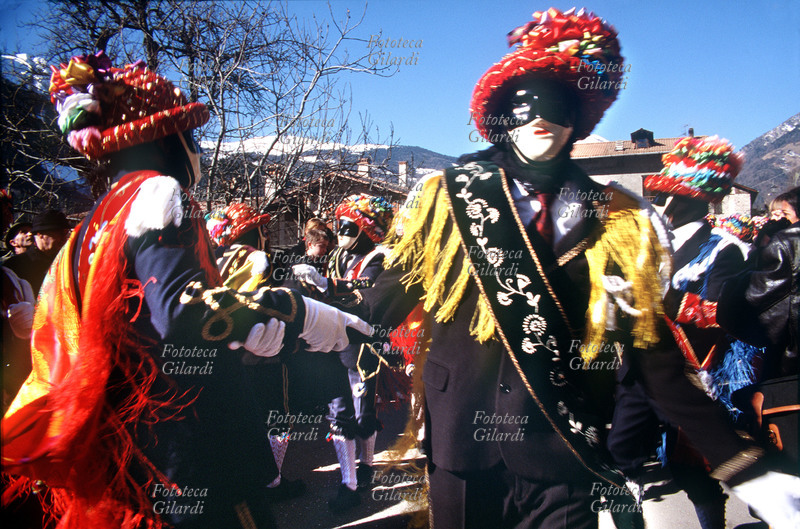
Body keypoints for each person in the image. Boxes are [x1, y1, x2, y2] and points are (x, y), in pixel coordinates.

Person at [353, 8, 799, 529]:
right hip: (463, 451)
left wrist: (740, 464)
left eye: (558, 101)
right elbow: (378, 307)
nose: (540, 114)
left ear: (579, 119)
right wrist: (293, 309)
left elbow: (647, 353)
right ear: (499, 113)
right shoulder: (444, 200)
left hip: (563, 453)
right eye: (524, 100)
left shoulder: (617, 219)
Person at [1, 51, 371, 529]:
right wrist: (294, 314)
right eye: (189, 134)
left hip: (135, 445)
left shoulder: (94, 222)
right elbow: (182, 313)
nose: (194, 146)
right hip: (192, 440)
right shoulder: (157, 194)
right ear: (164, 139)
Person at [608, 136, 753, 529]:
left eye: (674, 197)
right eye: (663, 196)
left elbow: (725, 313)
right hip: (639, 367)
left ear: (698, 200)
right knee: (619, 449)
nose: (664, 205)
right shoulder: (647, 241)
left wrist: (666, 300)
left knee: (691, 462)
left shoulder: (725, 248)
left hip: (693, 371)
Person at [293, 193, 394, 512]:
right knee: (339, 412)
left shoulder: (379, 257)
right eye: (341, 224)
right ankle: (348, 483)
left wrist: (326, 284)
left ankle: (367, 465)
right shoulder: (336, 255)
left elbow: (367, 291)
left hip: (363, 345)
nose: (342, 230)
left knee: (364, 411)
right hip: (333, 341)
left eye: (349, 225)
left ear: (367, 229)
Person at [205, 202, 306, 501]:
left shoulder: (213, 258)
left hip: (224, 354)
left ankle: (244, 477)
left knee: (240, 416)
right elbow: (261, 306)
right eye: (262, 229)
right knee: (276, 415)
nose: (267, 235)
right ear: (251, 232)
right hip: (261, 355)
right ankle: (273, 482)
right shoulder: (256, 258)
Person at [5, 209, 71, 294]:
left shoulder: (67, 261)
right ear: (40, 234)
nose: (64, 238)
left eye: (65, 233)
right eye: (58, 233)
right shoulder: (14, 266)